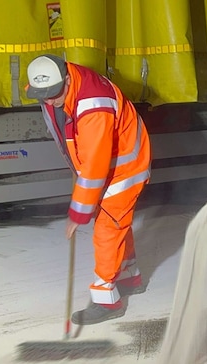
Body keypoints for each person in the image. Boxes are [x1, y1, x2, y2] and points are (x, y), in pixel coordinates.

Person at [25, 54, 151, 325]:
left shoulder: (93, 105)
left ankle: (107, 301)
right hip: (107, 163)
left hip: (124, 167)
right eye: (42, 96)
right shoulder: (56, 84)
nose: (49, 101)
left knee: (107, 228)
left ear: (67, 79)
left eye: (53, 95)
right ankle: (130, 278)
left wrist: (78, 212)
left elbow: (95, 165)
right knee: (119, 224)